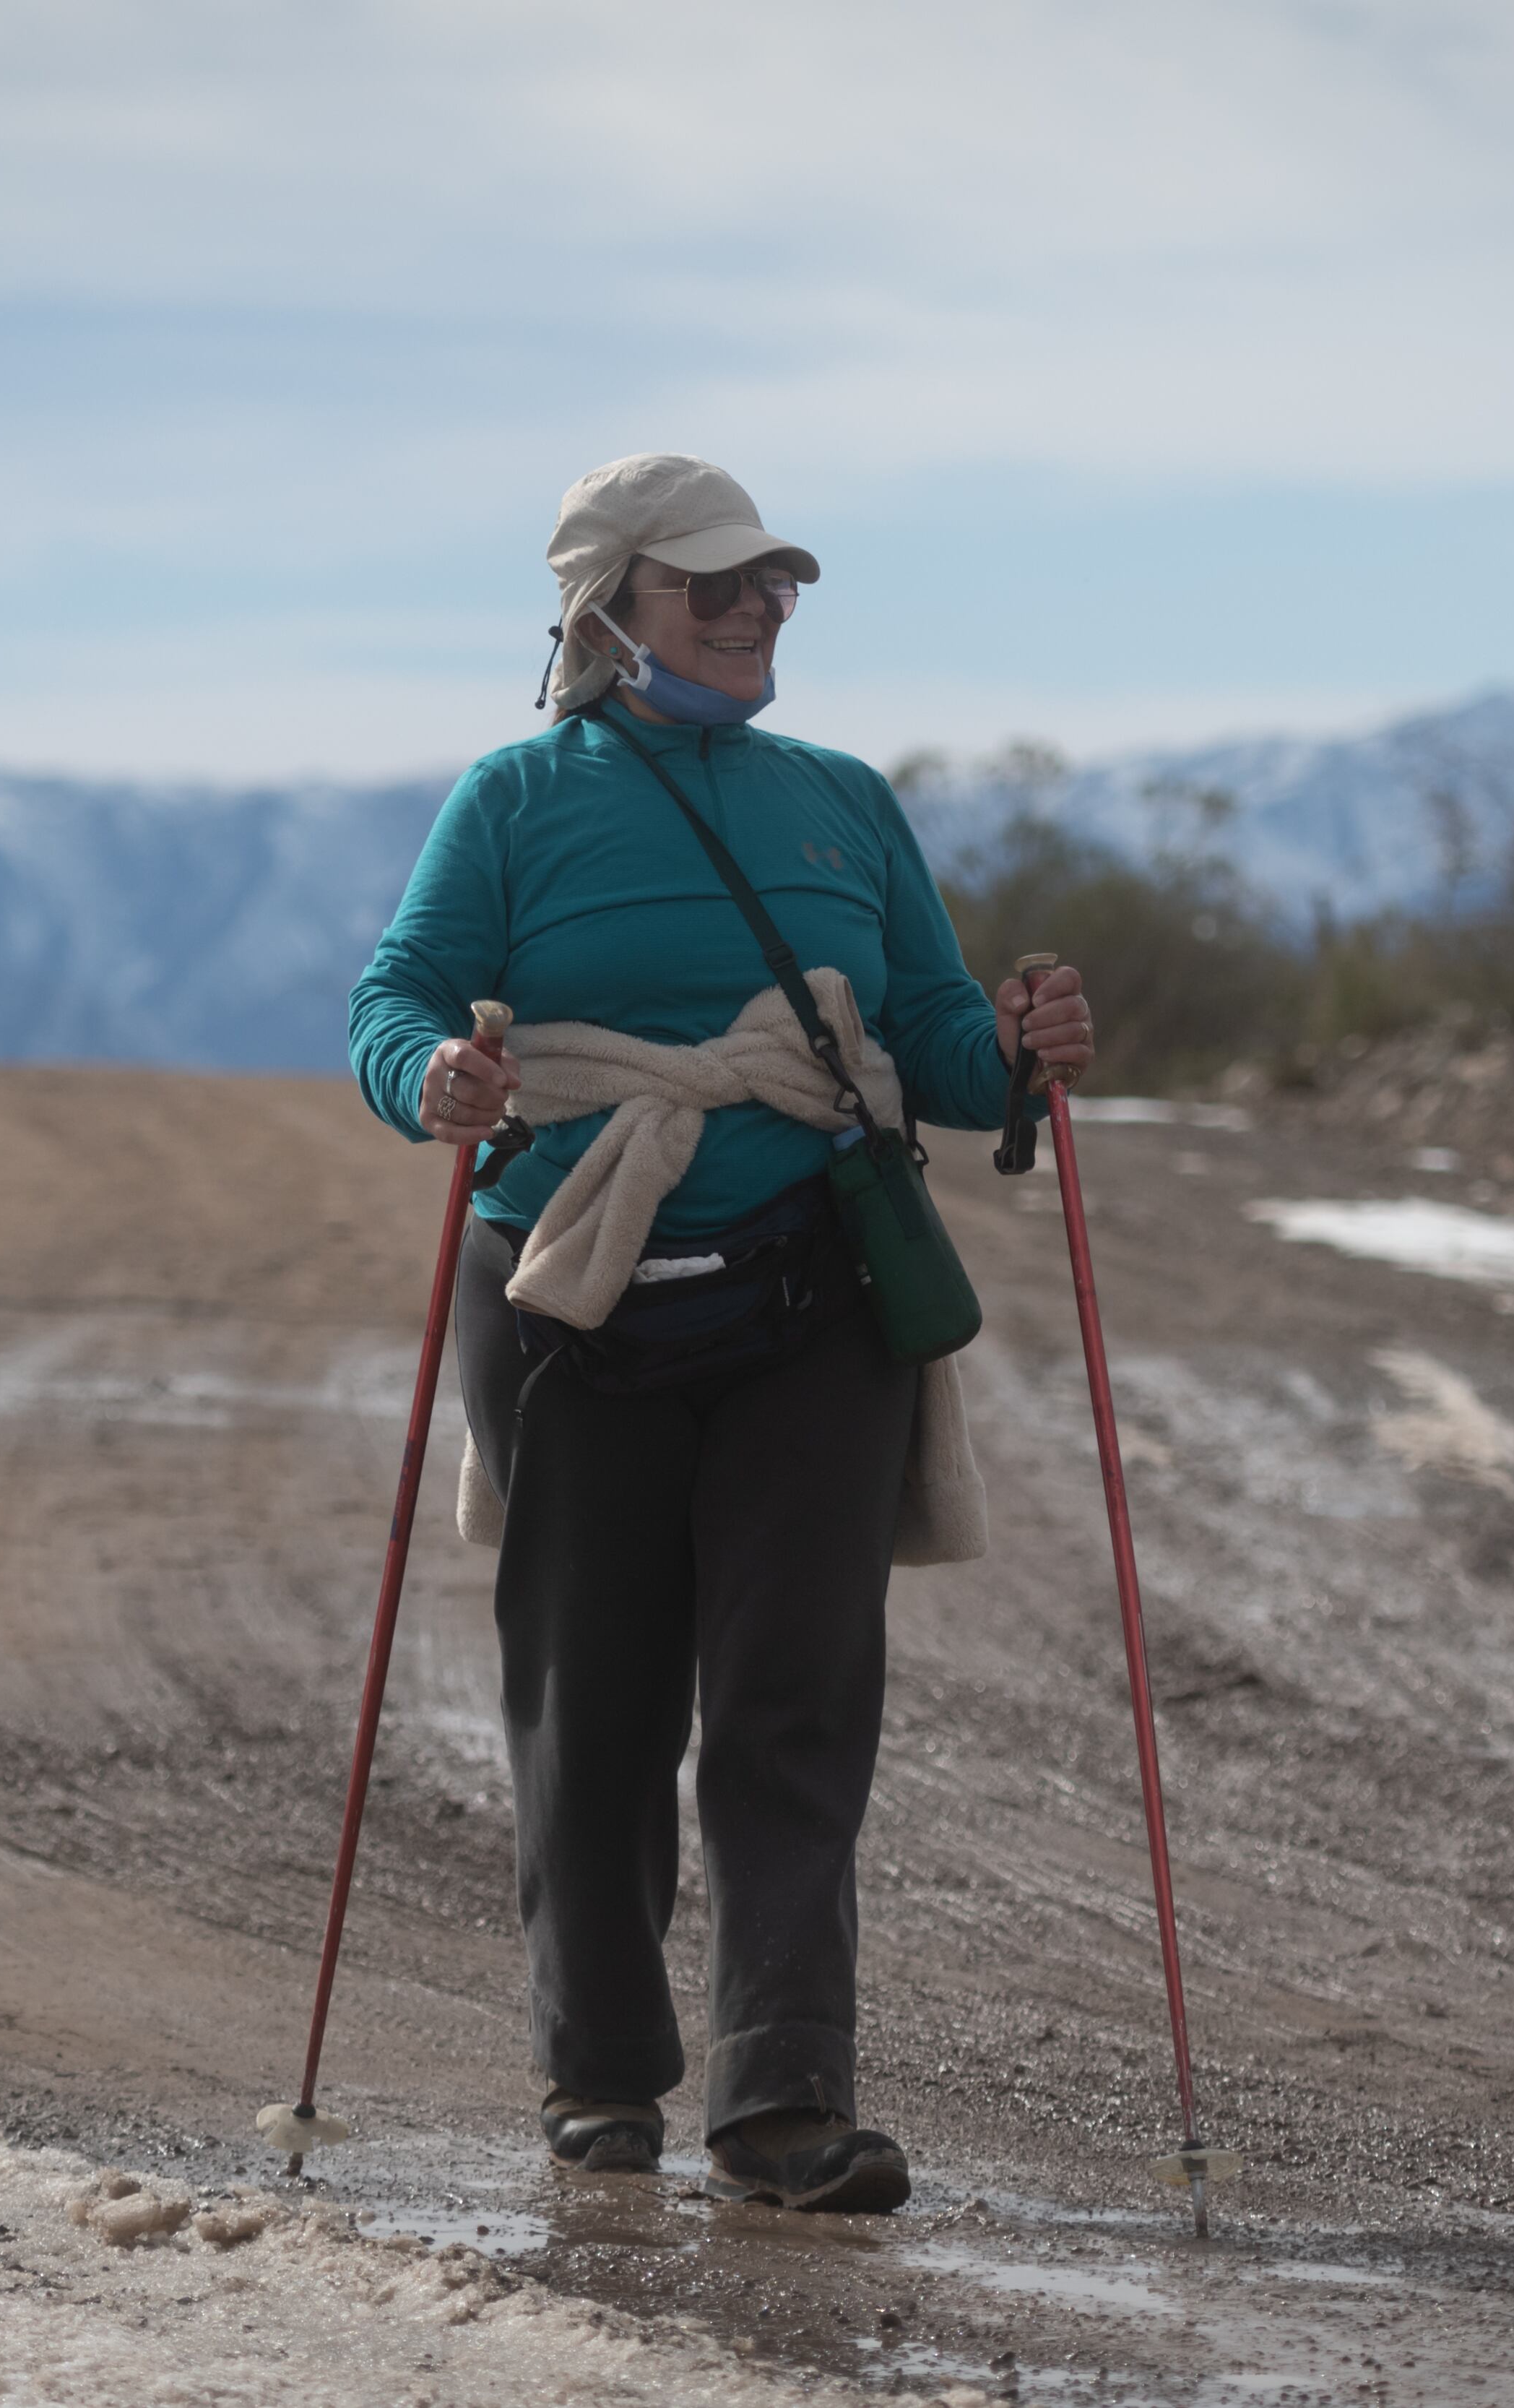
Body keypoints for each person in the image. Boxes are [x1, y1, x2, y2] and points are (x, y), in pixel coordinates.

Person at [347, 454, 1094, 2213]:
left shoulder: (843, 801)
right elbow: (393, 999)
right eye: (716, 587)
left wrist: (1023, 1046)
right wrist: (432, 1081)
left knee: (792, 1702)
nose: (760, 610)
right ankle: (597, 2077)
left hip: (812, 1294)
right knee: (590, 1708)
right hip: (569, 1299)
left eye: (772, 586)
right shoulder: (514, 801)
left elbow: (935, 1042)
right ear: (608, 614)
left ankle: (783, 2107)